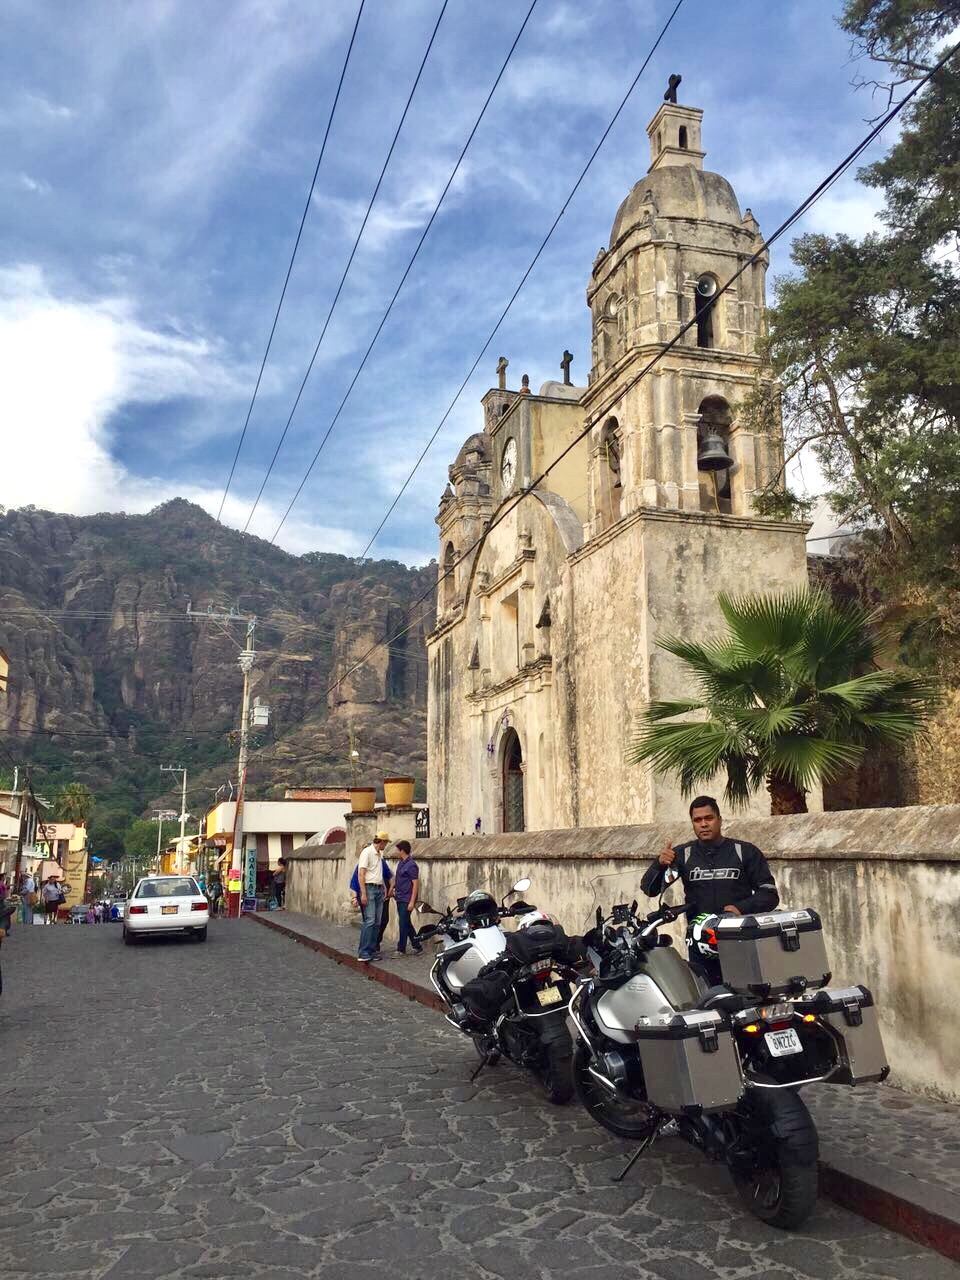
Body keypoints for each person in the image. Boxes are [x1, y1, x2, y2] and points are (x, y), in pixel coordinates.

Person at [640, 795, 779, 984]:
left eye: (709, 818)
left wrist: (741, 908)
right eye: (697, 820)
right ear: (693, 824)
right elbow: (650, 889)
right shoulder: (683, 855)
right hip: (700, 946)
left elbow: (769, 895)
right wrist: (659, 864)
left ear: (719, 820)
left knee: (744, 995)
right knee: (706, 997)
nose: (704, 824)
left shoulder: (744, 852)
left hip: (739, 941)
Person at [356, 831, 389, 963]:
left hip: (379, 888)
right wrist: (363, 893)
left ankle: (371, 950)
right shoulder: (367, 852)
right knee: (370, 921)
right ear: (381, 842)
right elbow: (361, 874)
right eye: (385, 843)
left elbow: (378, 872)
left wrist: (384, 887)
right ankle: (363, 951)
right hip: (369, 889)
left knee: (377, 922)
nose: (386, 845)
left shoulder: (379, 854)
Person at [392, 841, 423, 957]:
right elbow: (398, 879)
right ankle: (417, 945)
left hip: (407, 899)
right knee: (406, 923)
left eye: (398, 850)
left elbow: (415, 884)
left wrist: (412, 902)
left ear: (402, 851)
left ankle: (401, 949)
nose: (396, 852)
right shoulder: (401, 863)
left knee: (403, 924)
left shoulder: (411, 865)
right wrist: (392, 890)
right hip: (399, 897)